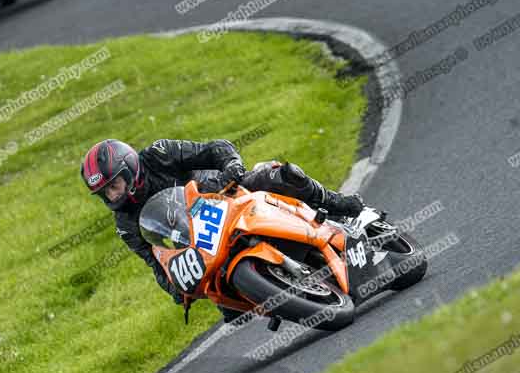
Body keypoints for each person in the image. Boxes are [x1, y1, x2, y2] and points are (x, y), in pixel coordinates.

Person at [79, 138, 365, 322]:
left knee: (278, 175)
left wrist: (231, 165)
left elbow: (216, 148)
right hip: (199, 243)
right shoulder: (126, 225)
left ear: (131, 169)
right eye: (104, 193)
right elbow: (155, 261)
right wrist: (176, 289)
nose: (112, 196)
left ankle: (336, 204)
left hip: (223, 194)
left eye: (114, 185)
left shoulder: (158, 154)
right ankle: (278, 290)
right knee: (232, 312)